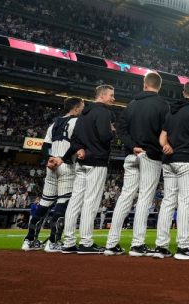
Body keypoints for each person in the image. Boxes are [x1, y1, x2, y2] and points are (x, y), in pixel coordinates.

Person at [105, 72, 169, 257]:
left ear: (144, 84)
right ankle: (137, 244)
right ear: (159, 85)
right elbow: (166, 131)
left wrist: (133, 147)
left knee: (125, 197)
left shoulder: (131, 105)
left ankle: (111, 244)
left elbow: (121, 130)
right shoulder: (163, 105)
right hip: (151, 156)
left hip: (131, 155)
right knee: (144, 199)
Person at [153, 80, 189, 260]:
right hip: (188, 159)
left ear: (183, 92)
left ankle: (161, 246)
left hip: (169, 160)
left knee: (168, 202)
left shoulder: (172, 111)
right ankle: (184, 247)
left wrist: (167, 145)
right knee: (186, 203)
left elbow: (162, 138)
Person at [22, 97, 84, 252]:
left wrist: (49, 159)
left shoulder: (54, 123)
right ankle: (53, 242)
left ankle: (29, 240)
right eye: (82, 107)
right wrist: (61, 159)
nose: (83, 110)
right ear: (76, 108)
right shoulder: (77, 122)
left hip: (51, 167)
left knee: (44, 203)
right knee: (63, 204)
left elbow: (45, 146)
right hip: (66, 165)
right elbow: (76, 145)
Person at [62, 85, 116, 254]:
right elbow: (105, 136)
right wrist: (113, 131)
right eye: (111, 95)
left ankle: (68, 241)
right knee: (90, 202)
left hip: (82, 162)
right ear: (101, 95)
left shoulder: (83, 114)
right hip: (97, 161)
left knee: (75, 201)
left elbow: (75, 138)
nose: (113, 98)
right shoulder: (104, 113)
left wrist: (79, 149)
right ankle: (86, 242)